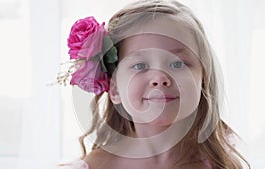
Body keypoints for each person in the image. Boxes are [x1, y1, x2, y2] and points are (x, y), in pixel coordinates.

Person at [58, 0, 250, 168]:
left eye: (177, 63)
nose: (160, 78)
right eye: (140, 65)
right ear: (115, 88)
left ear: (202, 80)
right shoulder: (95, 166)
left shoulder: (222, 165)